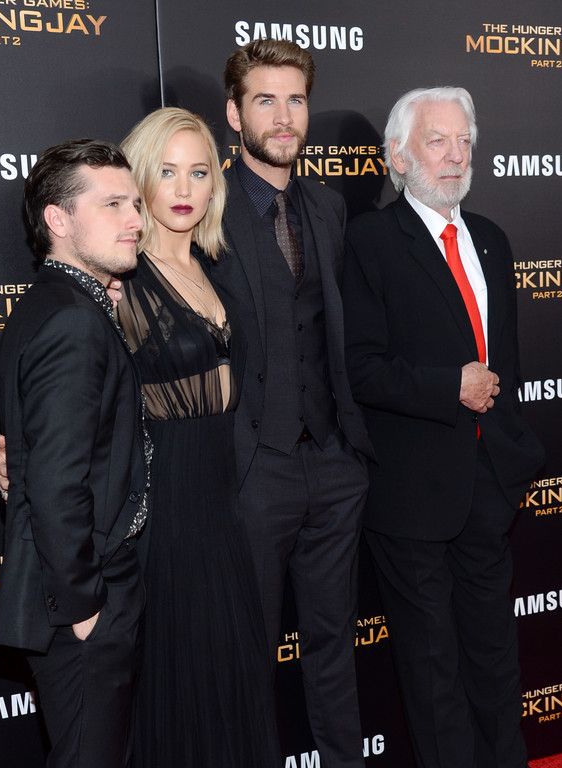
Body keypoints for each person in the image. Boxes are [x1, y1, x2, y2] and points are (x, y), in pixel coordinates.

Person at [342, 87, 545, 768]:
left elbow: (508, 361)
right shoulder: (370, 241)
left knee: (496, 661)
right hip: (410, 497)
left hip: (488, 488)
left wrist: (512, 456)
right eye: (438, 141)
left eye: (464, 141)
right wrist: (447, 386)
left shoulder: (491, 238)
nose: (456, 156)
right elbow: (359, 368)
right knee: (433, 677)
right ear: (398, 156)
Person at [212, 39, 373, 768]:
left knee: (334, 645)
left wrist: (349, 451)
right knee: (247, 654)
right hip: (253, 469)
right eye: (266, 100)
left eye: (296, 100)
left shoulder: (329, 207)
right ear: (234, 114)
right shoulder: (205, 208)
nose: (284, 117)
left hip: (333, 463)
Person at [119, 107, 279, 768]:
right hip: (169, 514)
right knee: (182, 688)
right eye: (166, 172)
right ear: (139, 180)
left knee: (233, 681)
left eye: (199, 172)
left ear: (216, 182)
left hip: (226, 505)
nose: (184, 189)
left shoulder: (217, 269)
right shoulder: (123, 284)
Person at [0, 139, 150, 768]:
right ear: (57, 220)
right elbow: (58, 482)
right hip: (83, 600)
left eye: (135, 204)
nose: (135, 219)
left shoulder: (62, 303)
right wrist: (86, 607)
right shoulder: (73, 321)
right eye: (112, 205)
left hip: (80, 592)